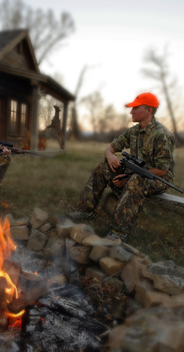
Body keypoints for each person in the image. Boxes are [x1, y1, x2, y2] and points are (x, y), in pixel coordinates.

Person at [69, 92, 176, 242]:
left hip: (159, 179)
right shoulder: (134, 131)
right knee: (103, 168)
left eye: (135, 108)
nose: (131, 112)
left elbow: (162, 170)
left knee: (136, 180)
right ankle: (85, 211)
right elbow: (110, 148)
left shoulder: (161, 134)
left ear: (148, 110)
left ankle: (118, 232)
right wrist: (110, 155)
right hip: (135, 174)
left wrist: (127, 178)